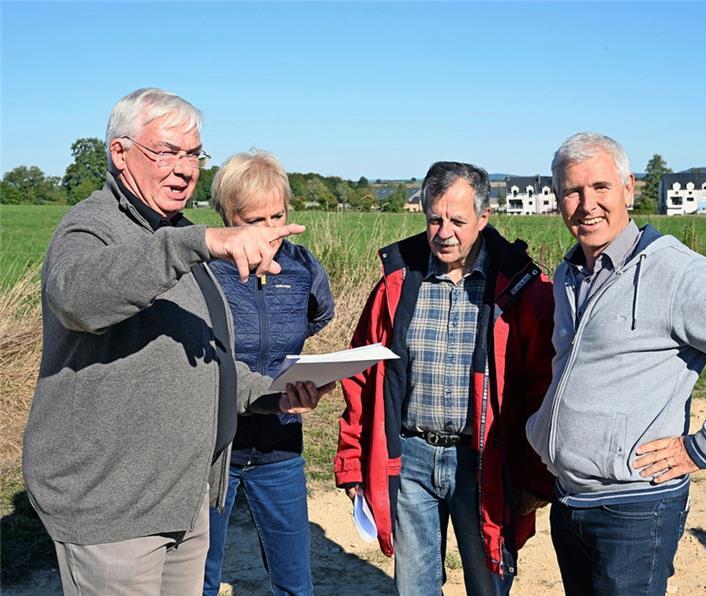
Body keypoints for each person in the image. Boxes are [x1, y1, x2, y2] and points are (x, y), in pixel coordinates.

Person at [22, 88, 333, 596]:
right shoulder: (92, 225)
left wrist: (273, 392)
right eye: (167, 151)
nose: (185, 168)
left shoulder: (181, 235)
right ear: (119, 154)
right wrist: (199, 242)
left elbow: (206, 363)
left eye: (193, 154)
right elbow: (77, 297)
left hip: (183, 502)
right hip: (112, 509)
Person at [525, 132, 706, 596]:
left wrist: (702, 447)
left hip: (635, 509)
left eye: (600, 187)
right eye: (572, 191)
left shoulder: (674, 272)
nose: (586, 204)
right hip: (571, 499)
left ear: (628, 188)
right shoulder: (571, 273)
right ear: (557, 200)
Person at [335, 161, 555, 595]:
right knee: (415, 588)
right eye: (435, 219)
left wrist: (534, 476)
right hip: (411, 458)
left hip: (483, 462)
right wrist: (352, 460)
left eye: (457, 220)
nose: (444, 232)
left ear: (483, 218)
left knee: (487, 586)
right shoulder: (397, 282)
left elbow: (540, 387)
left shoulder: (519, 286)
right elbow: (363, 376)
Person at [203, 150, 334, 596]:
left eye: (278, 215)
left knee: (294, 581)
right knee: (199, 577)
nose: (271, 230)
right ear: (228, 217)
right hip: (213, 446)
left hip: (280, 443)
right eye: (255, 220)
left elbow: (316, 318)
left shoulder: (303, 268)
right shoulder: (205, 272)